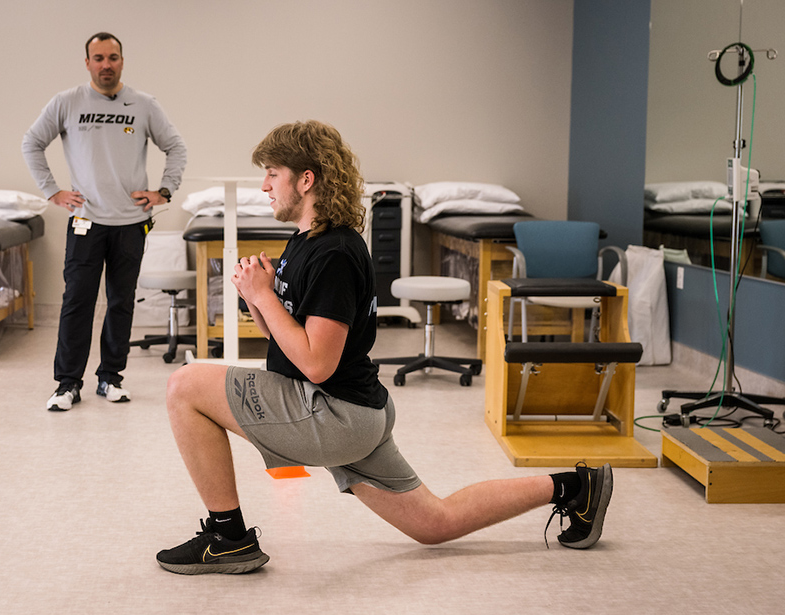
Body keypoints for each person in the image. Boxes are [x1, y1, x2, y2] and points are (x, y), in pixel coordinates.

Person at [155, 120, 613, 575]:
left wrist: (264, 296)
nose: (264, 186)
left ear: (306, 178)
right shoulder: (303, 241)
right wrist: (261, 295)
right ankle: (574, 486)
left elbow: (316, 363)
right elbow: (286, 340)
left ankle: (228, 537)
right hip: (355, 410)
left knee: (185, 385)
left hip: (332, 412)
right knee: (436, 523)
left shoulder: (334, 252)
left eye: (273, 173)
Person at [22, 32, 187, 409]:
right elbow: (31, 142)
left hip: (131, 223)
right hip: (86, 222)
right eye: (98, 58)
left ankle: (110, 378)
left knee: (120, 302)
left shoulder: (144, 105)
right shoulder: (67, 102)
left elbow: (176, 146)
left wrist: (164, 190)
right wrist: (52, 191)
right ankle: (67, 384)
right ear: (87, 63)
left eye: (113, 57)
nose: (106, 65)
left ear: (122, 61)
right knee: (76, 302)